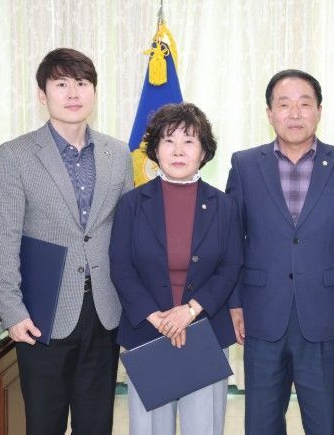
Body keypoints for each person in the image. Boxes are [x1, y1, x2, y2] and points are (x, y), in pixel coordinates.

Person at [0, 48, 133, 434]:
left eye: (82, 83)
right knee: (44, 425)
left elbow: (128, 235)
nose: (73, 93)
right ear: (42, 94)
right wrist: (12, 312)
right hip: (41, 316)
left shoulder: (118, 154)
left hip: (104, 311)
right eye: (61, 84)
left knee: (96, 425)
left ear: (94, 92)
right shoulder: (15, 155)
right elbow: (2, 239)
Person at [226, 69, 334, 434]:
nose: (294, 113)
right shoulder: (245, 165)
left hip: (327, 315)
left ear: (319, 111)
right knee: (261, 423)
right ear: (269, 113)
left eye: (304, 104)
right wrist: (234, 302)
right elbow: (232, 242)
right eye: (284, 104)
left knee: (322, 423)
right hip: (262, 314)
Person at [109, 102, 242, 434]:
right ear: (155, 150)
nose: (178, 150)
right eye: (168, 140)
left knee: (204, 427)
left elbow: (230, 266)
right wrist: (160, 319)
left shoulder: (224, 206)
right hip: (148, 332)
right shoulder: (131, 204)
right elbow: (121, 267)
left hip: (205, 330)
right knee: (149, 428)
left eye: (189, 141)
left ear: (203, 151)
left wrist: (189, 311)